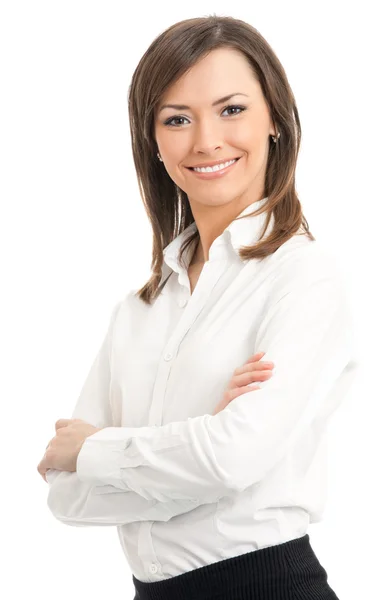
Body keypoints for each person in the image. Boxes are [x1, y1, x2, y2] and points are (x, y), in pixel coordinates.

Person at [40, 15, 358, 600]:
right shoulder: (139, 309)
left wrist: (95, 449)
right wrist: (200, 445)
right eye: (177, 119)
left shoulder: (304, 276)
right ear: (154, 143)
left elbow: (233, 459)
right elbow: (65, 493)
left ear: (276, 122)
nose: (206, 139)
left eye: (231, 109)